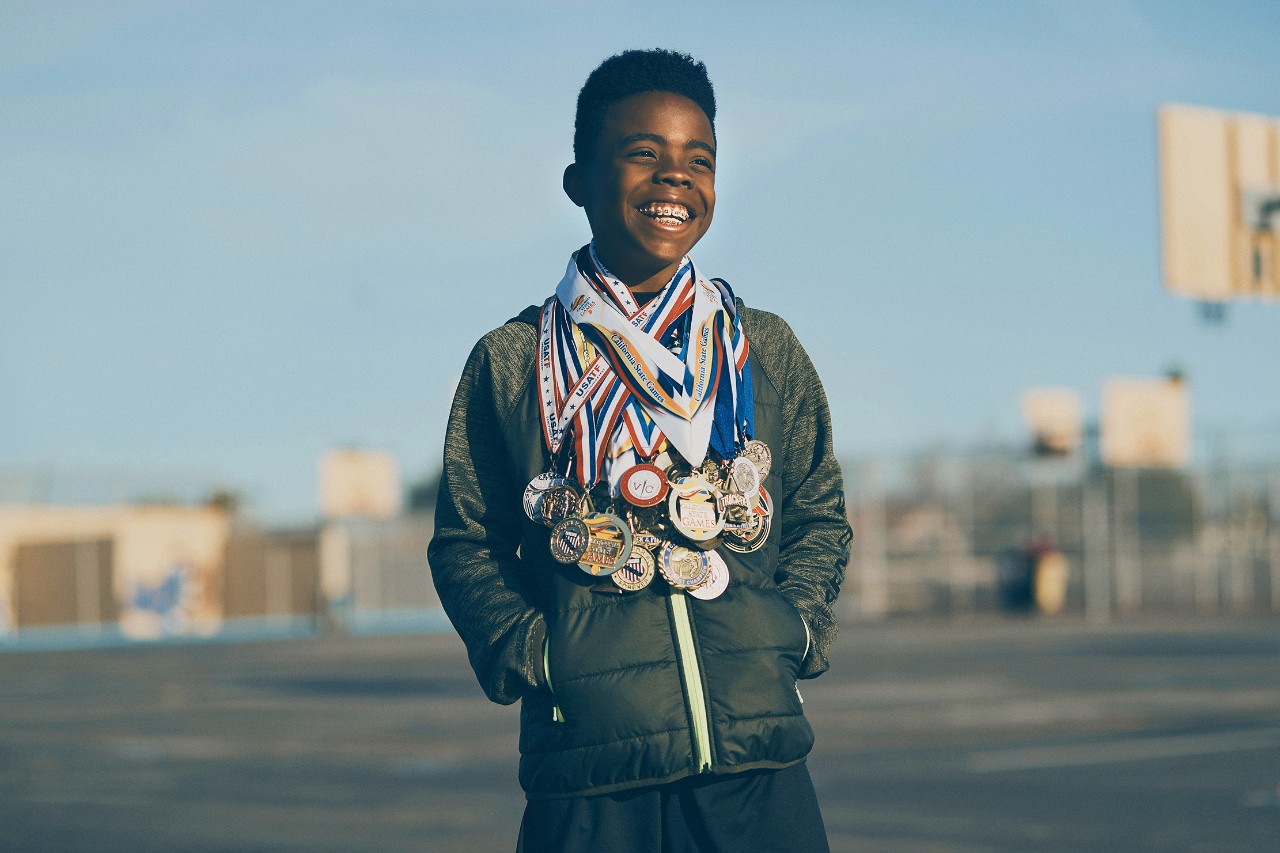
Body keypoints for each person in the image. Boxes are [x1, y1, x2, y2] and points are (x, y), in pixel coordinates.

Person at [428, 48, 851, 853]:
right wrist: (542, 657)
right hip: (591, 774)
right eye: (643, 155)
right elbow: (465, 543)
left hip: (756, 763)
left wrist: (792, 632)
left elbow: (820, 514)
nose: (674, 179)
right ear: (579, 181)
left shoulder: (763, 346)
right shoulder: (514, 360)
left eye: (700, 161)